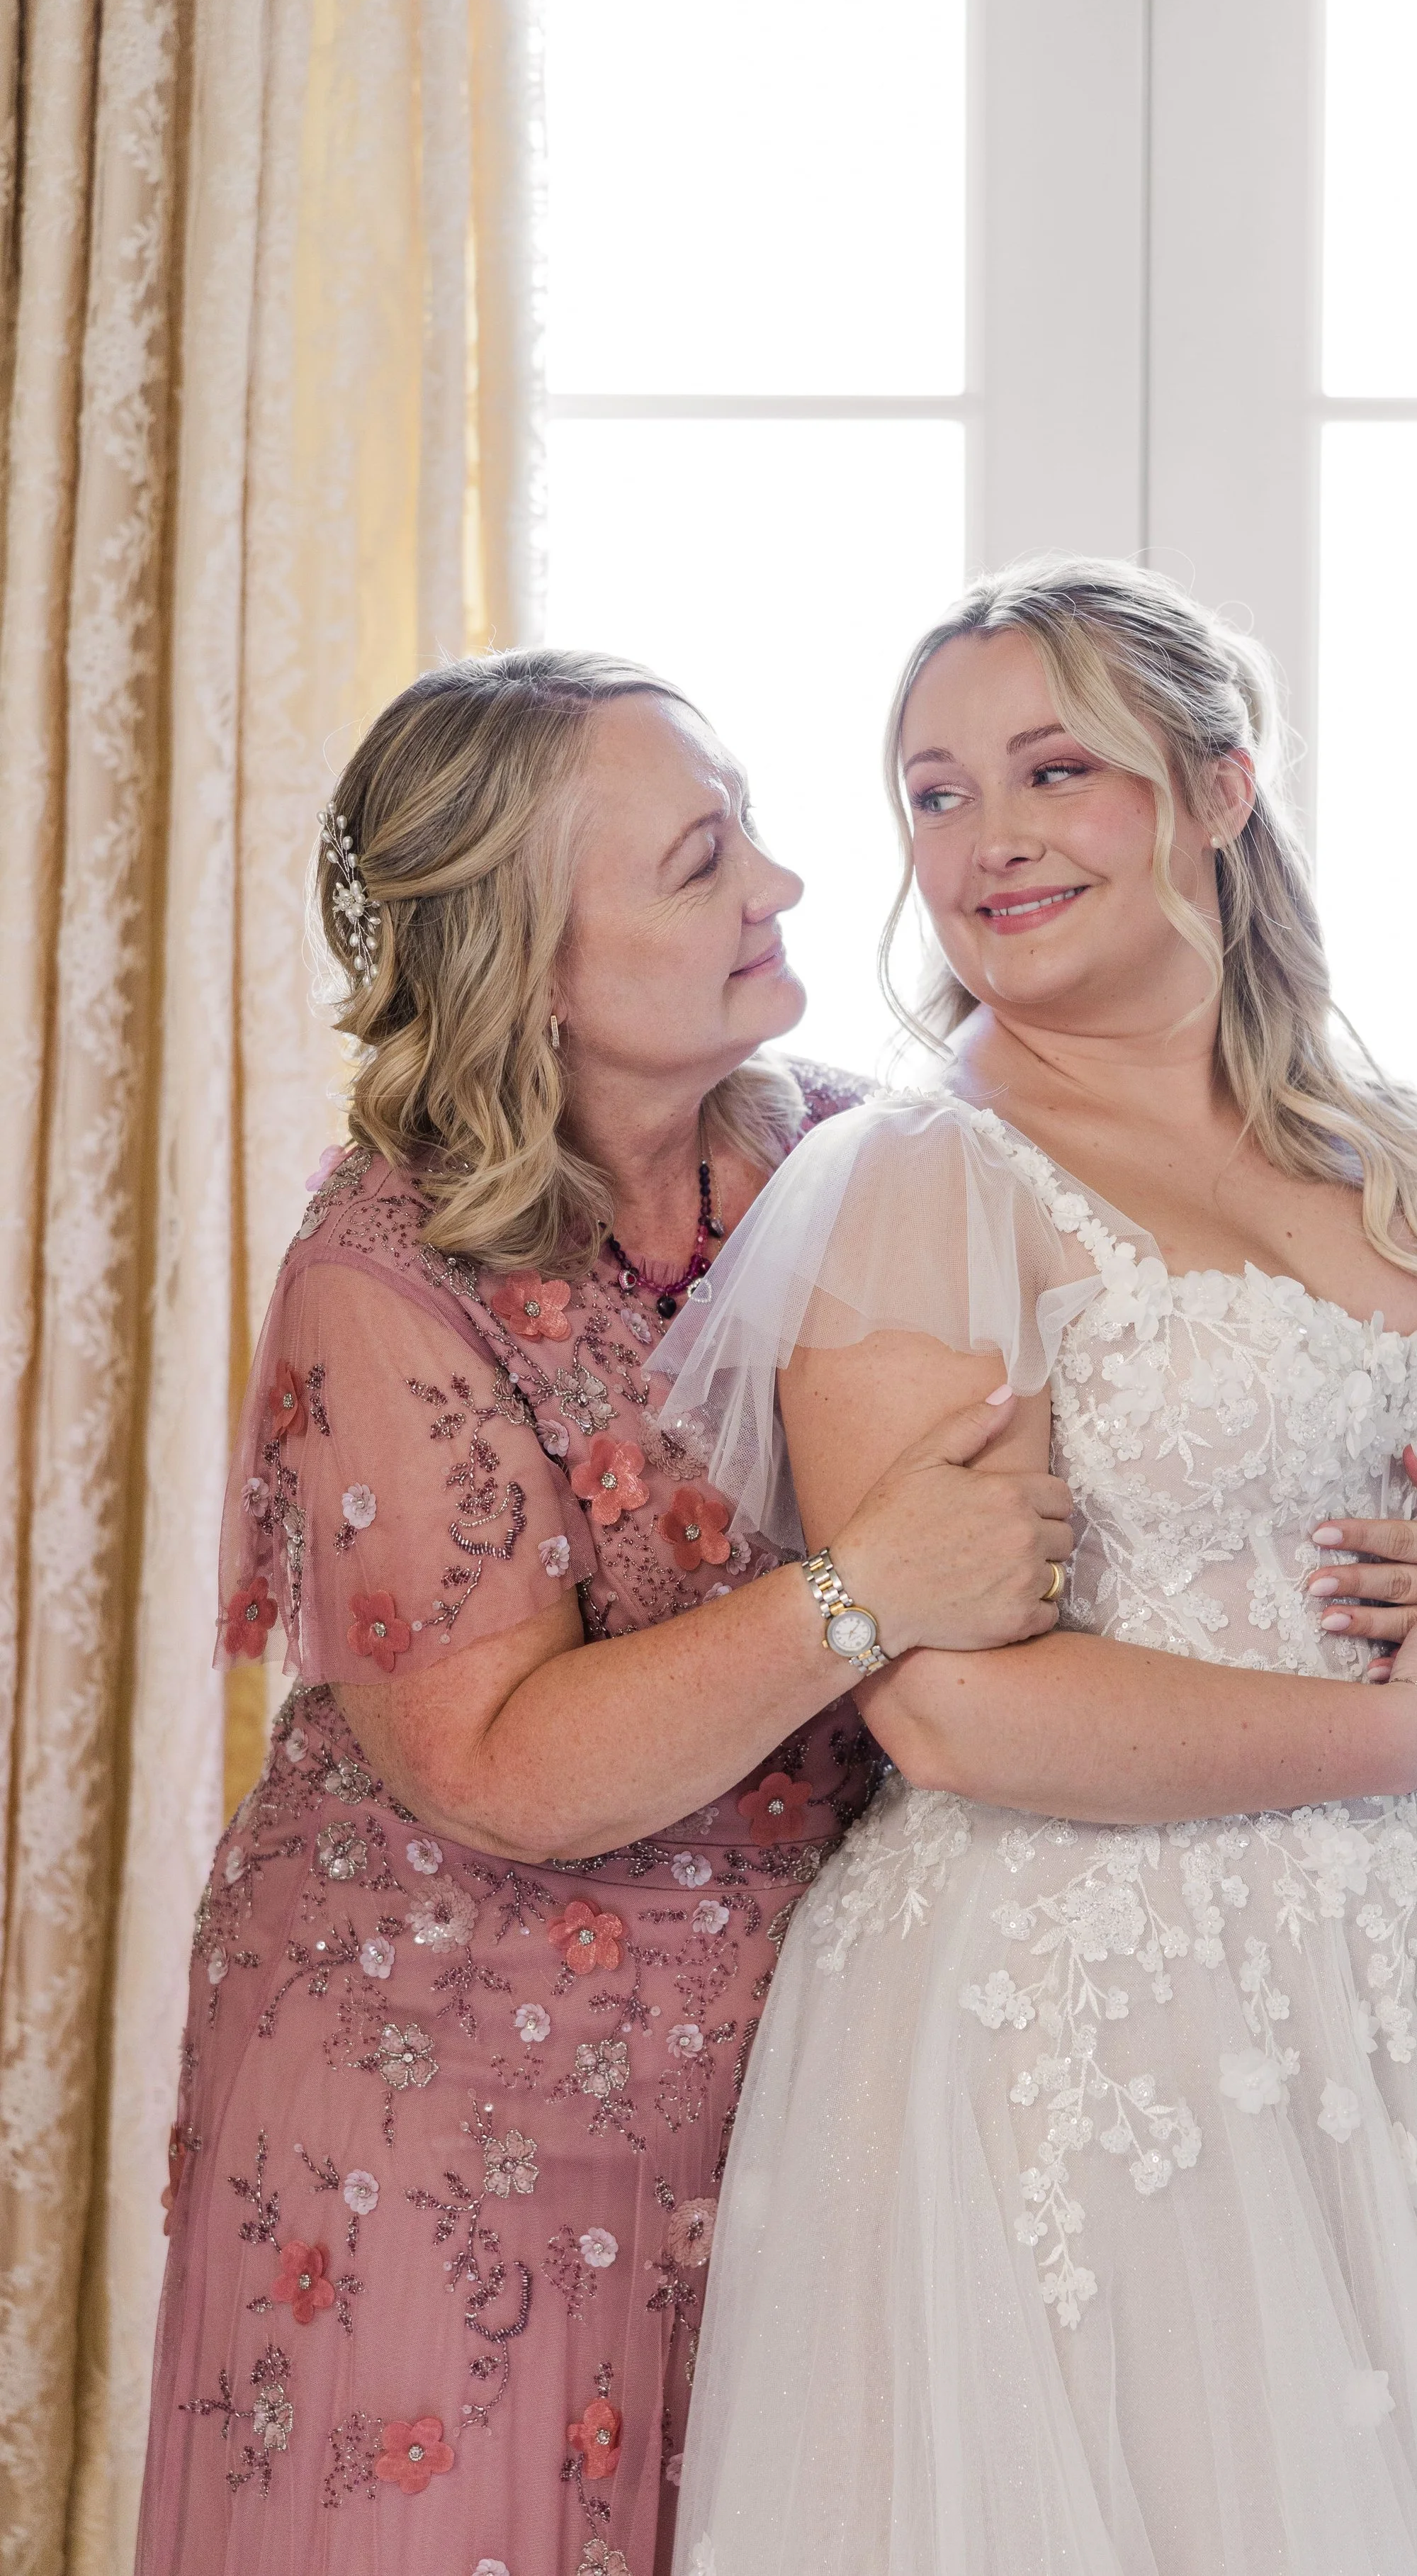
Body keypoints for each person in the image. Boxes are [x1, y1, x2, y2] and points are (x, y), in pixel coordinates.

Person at [659, 561, 1417, 2575]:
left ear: (1218, 786)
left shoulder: (1356, 1142)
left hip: (1369, 1990)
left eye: (1055, 769)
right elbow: (950, 1698)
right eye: (933, 793)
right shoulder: (925, 1175)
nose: (986, 837)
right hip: (1078, 2016)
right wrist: (1383, 1735)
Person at [135, 649, 1079, 2576]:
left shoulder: (842, 1147)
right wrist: (859, 1594)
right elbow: (489, 1758)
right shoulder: (383, 1267)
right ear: (526, 961)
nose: (782, 894)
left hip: (790, 2098)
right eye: (700, 863)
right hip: (434, 2132)